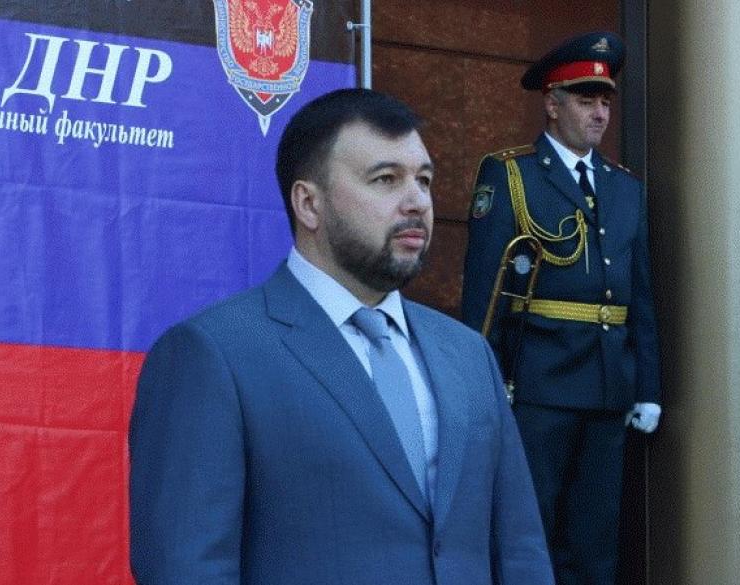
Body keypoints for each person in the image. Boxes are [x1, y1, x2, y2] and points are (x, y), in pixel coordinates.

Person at [130, 88, 553, 585]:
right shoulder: (214, 354)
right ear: (309, 203)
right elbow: (186, 568)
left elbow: (521, 551)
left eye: (423, 180)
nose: (417, 202)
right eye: (386, 179)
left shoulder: (468, 353)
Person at [461, 31, 662, 585]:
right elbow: (485, 294)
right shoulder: (512, 173)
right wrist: (479, 386)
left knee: (596, 542)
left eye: (605, 102)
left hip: (608, 387)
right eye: (585, 100)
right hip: (538, 385)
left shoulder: (625, 188)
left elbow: (640, 295)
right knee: (533, 534)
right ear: (552, 104)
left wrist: (647, 386)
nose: (600, 114)